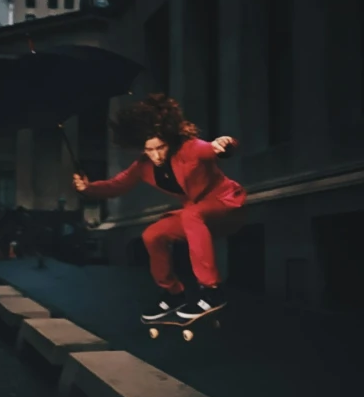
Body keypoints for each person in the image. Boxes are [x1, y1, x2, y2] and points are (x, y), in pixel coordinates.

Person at [72, 93, 242, 325]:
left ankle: (212, 291)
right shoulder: (143, 165)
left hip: (225, 203)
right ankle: (174, 293)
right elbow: (117, 185)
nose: (156, 155)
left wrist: (225, 144)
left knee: (191, 215)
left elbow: (212, 149)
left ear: (169, 141)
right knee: (152, 235)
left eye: (160, 148)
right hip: (197, 214)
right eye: (149, 150)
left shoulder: (189, 149)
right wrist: (88, 188)